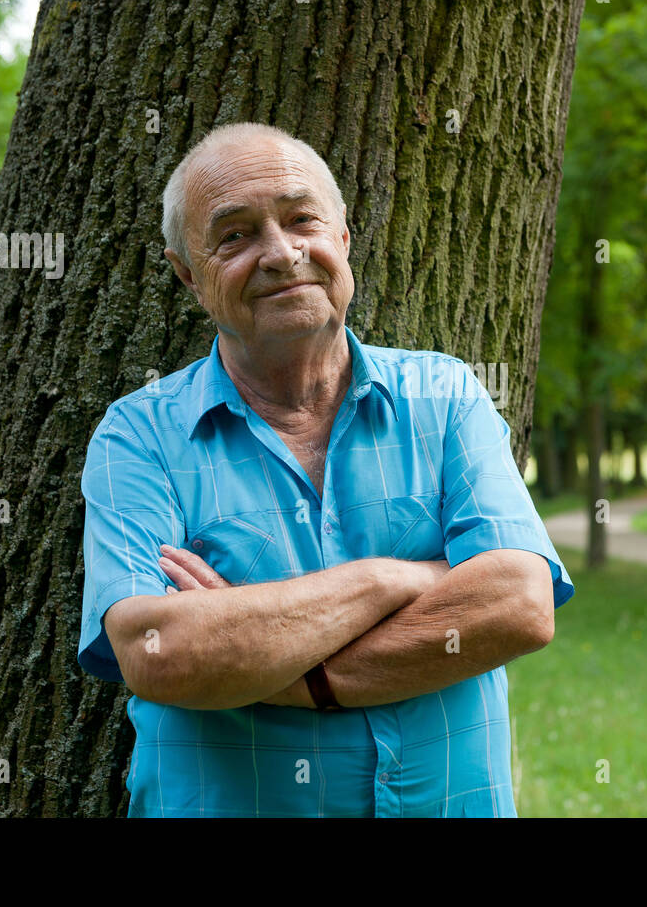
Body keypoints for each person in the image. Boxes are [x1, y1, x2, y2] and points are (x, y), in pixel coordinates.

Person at [76, 122, 575, 817]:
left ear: (341, 240)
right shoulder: (139, 435)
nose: (281, 254)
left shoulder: (445, 395)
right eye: (235, 236)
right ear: (189, 275)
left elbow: (518, 604)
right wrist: (393, 578)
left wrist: (282, 671)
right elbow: (158, 649)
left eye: (302, 219)